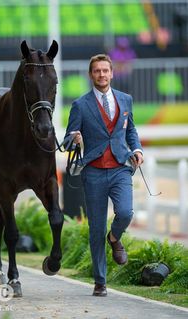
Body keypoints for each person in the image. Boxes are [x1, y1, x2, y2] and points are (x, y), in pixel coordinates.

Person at [64, 54, 143, 297]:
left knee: (126, 212)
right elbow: (67, 141)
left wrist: (137, 149)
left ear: (111, 73)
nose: (101, 75)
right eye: (97, 71)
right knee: (95, 228)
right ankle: (100, 281)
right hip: (94, 173)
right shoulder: (80, 104)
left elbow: (131, 131)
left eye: (105, 70)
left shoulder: (125, 99)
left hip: (121, 167)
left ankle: (115, 237)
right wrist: (74, 139)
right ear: (91, 75)